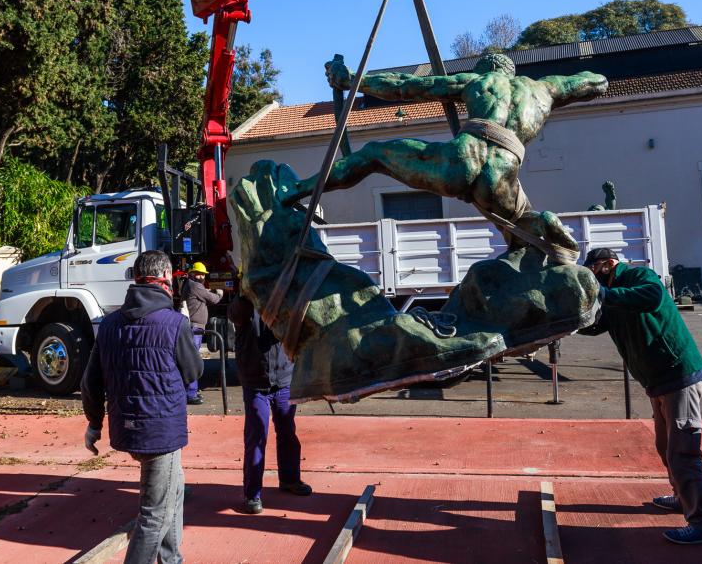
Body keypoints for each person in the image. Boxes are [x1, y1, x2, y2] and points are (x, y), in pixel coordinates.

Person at [283, 52, 607, 251]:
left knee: (373, 154)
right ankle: (541, 224)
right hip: (504, 171)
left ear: (486, 70)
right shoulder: (544, 88)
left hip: (465, 157)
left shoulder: (478, 81)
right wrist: (580, 84)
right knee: (519, 229)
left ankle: (294, 192)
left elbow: (405, 86)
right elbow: (596, 82)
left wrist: (352, 80)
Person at [578, 247, 702, 546]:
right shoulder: (614, 292)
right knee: (665, 446)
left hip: (678, 375)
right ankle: (682, 497)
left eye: (593, 274)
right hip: (658, 381)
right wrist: (570, 319)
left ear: (606, 265)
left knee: (684, 451)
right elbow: (597, 324)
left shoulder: (637, 276)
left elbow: (652, 296)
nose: (593, 283)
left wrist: (604, 296)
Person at [81, 250, 202, 564]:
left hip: (128, 429)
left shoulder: (108, 325)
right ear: (164, 280)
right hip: (161, 433)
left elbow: (90, 383)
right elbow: (194, 372)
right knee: (154, 515)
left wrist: (94, 424)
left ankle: (171, 559)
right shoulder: (175, 323)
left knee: (174, 491)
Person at [229, 294, 311, 514]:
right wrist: (247, 295)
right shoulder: (245, 305)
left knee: (287, 432)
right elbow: (235, 314)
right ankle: (252, 494)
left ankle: (290, 479)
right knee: (257, 436)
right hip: (257, 383)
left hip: (283, 379)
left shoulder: (286, 301)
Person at [180, 262, 223, 405]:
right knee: (193, 360)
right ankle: (191, 394)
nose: (201, 276)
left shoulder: (191, 284)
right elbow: (214, 300)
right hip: (194, 327)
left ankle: (190, 391)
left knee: (191, 359)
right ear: (191, 274)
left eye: (203, 274)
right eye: (198, 273)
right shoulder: (195, 285)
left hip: (194, 326)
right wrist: (219, 293)